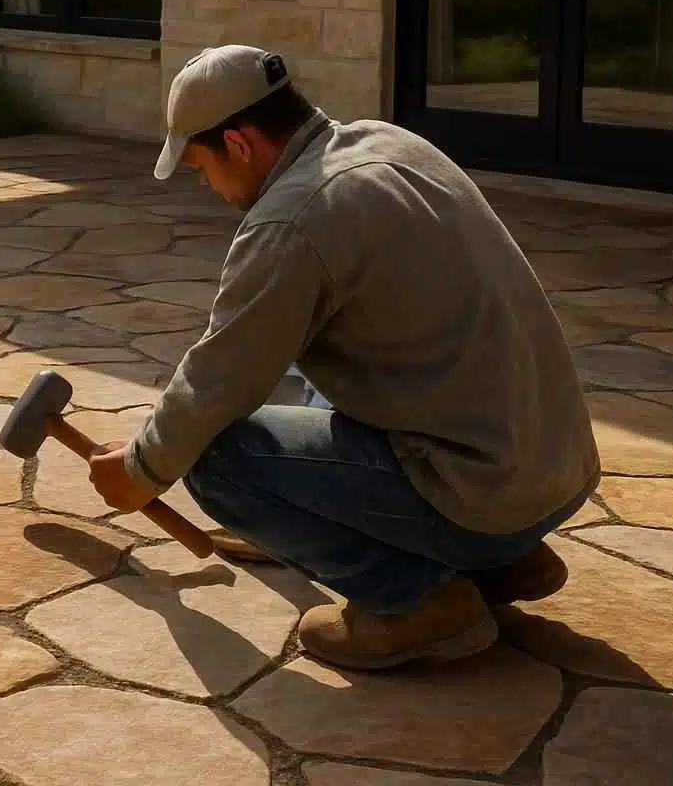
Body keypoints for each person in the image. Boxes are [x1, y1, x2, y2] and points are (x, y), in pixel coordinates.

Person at [87, 45, 600, 672]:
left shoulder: (291, 222)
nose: (205, 184)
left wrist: (140, 470)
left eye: (201, 166)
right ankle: (502, 560)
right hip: (556, 473)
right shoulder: (389, 144)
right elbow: (266, 360)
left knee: (217, 460)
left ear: (241, 145)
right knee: (309, 368)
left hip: (485, 498)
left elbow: (217, 379)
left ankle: (414, 603)